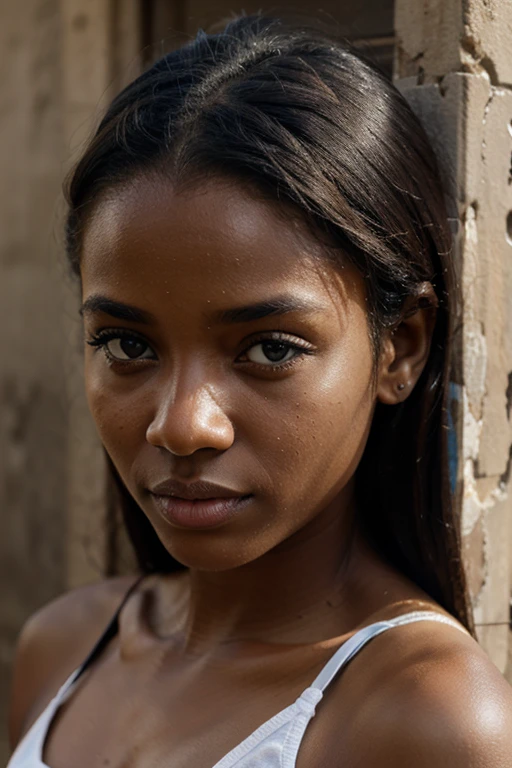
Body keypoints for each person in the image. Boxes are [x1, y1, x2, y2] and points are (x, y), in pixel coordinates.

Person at [7, 14, 512, 768]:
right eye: (128, 345)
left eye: (270, 349)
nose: (183, 426)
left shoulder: (425, 718)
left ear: (399, 347)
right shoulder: (64, 649)